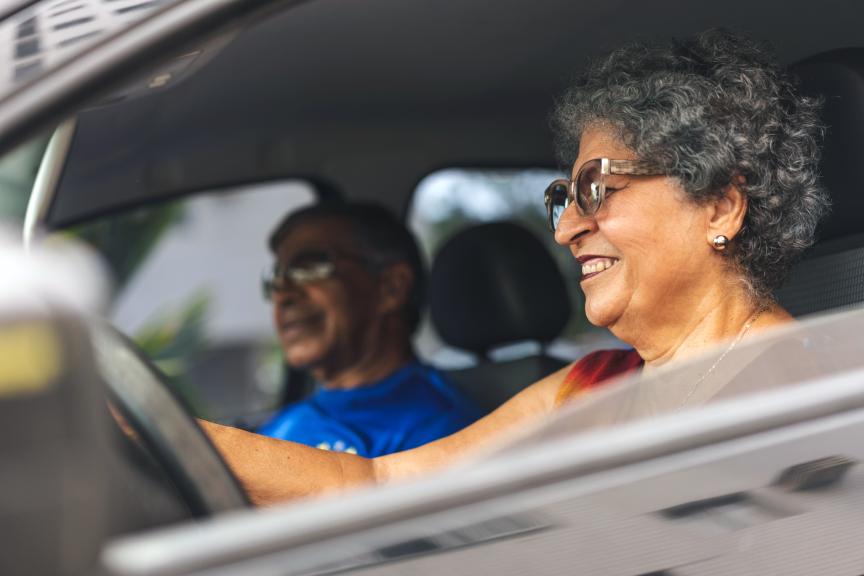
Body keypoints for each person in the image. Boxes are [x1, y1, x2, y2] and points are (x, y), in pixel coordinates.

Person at [202, 29, 827, 505]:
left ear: (719, 206)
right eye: (563, 197)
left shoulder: (803, 399)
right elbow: (380, 479)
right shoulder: (588, 385)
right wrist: (163, 434)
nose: (565, 228)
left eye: (597, 190)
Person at [256, 202, 482, 457]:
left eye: (309, 267)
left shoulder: (440, 434)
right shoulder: (288, 422)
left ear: (391, 287)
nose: (282, 295)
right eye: (276, 278)